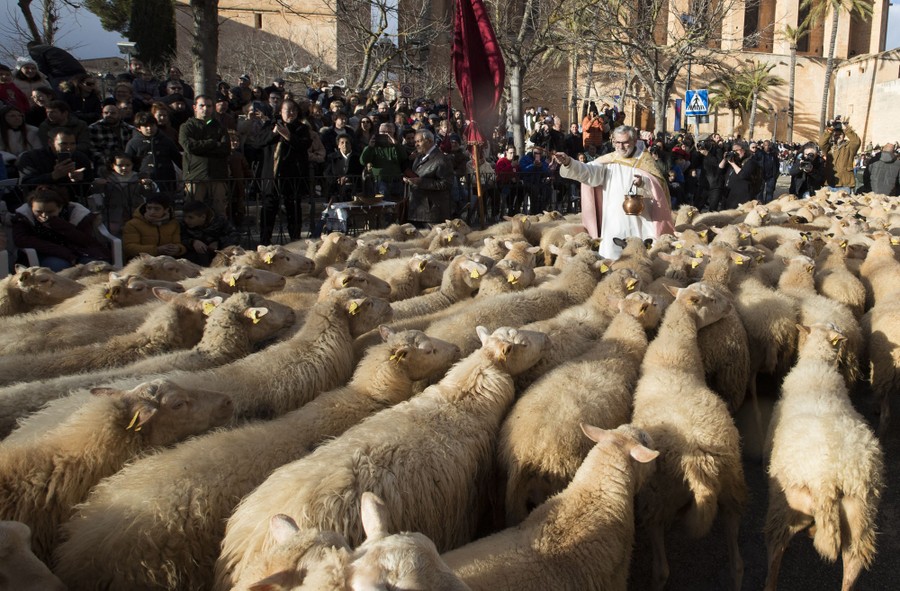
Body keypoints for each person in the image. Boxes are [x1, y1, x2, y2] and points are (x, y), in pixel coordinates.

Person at [554, 124, 674, 260]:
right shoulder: (609, 161)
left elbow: (658, 191)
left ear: (635, 141)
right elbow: (588, 172)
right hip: (614, 221)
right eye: (617, 142)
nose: (621, 147)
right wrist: (569, 162)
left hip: (641, 221)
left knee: (640, 263)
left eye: (625, 143)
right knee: (612, 262)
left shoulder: (646, 163)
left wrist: (643, 184)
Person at [11, 186, 109, 271]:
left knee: (96, 267)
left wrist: (58, 224)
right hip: (43, 254)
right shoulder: (24, 217)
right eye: (38, 212)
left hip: (78, 252)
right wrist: (63, 252)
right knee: (61, 266)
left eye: (50, 212)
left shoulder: (75, 213)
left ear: (60, 207)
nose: (44, 215)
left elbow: (86, 241)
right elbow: (21, 240)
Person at [259, 98, 312, 244]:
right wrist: (275, 133)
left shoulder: (302, 128)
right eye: (287, 110)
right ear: (280, 112)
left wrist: (288, 135)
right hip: (272, 175)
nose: (291, 113)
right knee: (269, 208)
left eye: (294, 110)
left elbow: (304, 145)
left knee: (293, 207)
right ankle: (265, 240)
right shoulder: (270, 125)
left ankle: (295, 239)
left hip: (292, 174)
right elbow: (258, 142)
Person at [180, 95, 232, 217]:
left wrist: (201, 146)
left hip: (217, 174)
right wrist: (212, 143)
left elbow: (225, 149)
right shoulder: (187, 127)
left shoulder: (219, 127)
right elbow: (189, 146)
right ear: (195, 107)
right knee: (193, 210)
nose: (205, 109)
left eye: (209, 106)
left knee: (220, 211)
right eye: (202, 105)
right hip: (195, 176)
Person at [17, 128, 94, 202]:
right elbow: (26, 184)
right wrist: (53, 176)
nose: (69, 148)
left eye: (72, 144)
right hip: (38, 202)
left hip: (71, 203)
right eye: (63, 144)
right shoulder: (31, 157)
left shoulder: (80, 158)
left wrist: (79, 180)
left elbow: (87, 190)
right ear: (50, 142)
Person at [404, 129, 453, 226]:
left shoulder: (442, 159)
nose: (416, 145)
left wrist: (421, 182)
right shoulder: (419, 157)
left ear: (429, 141)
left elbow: (446, 184)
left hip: (432, 213)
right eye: (415, 142)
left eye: (419, 141)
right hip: (417, 209)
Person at [125, 111, 181, 193]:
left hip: (166, 180)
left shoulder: (166, 140)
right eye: (145, 126)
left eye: (152, 125)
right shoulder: (133, 143)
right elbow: (128, 162)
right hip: (143, 181)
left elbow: (178, 159)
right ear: (139, 128)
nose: (149, 128)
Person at [122, 192, 186, 260]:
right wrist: (157, 250)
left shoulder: (173, 224)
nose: (152, 212)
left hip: (167, 261)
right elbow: (129, 248)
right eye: (149, 208)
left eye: (157, 209)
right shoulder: (133, 224)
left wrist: (178, 249)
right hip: (141, 261)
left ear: (166, 210)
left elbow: (178, 243)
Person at [179, 200, 241, 266]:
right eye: (184, 217)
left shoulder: (219, 221)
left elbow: (235, 235)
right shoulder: (184, 224)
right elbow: (181, 237)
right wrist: (192, 242)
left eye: (190, 217)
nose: (186, 220)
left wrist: (218, 242)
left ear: (203, 217)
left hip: (219, 253)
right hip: (197, 255)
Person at [359, 122, 405, 200]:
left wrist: (396, 145)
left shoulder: (396, 145)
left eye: (389, 132)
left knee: (397, 204)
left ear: (394, 132)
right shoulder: (373, 146)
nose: (386, 134)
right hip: (380, 180)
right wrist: (369, 147)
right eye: (383, 132)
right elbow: (363, 161)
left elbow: (403, 158)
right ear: (379, 133)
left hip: (396, 180)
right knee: (382, 203)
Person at [89, 103, 134, 174]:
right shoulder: (94, 128)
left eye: (113, 113)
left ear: (119, 114)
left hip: (126, 164)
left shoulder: (129, 128)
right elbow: (93, 150)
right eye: (106, 113)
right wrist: (109, 162)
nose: (109, 115)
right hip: (104, 163)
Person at [818, 118, 860, 192]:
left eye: (840, 134)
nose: (837, 136)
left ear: (843, 136)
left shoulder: (849, 147)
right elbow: (821, 143)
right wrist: (830, 129)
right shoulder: (829, 148)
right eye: (835, 135)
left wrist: (846, 127)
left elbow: (856, 141)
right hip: (830, 183)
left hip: (845, 184)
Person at [719, 140, 759, 209]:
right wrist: (725, 159)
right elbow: (720, 169)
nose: (735, 152)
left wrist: (732, 163)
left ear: (744, 150)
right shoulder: (734, 160)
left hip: (742, 197)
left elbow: (743, 175)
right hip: (729, 195)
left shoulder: (750, 162)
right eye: (733, 150)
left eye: (737, 150)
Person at [325, 135, 363, 201]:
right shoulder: (331, 157)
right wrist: (337, 180)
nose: (344, 145)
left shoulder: (358, 157)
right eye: (342, 142)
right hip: (336, 191)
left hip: (354, 191)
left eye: (347, 142)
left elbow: (361, 172)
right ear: (338, 145)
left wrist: (348, 178)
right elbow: (327, 173)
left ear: (351, 145)